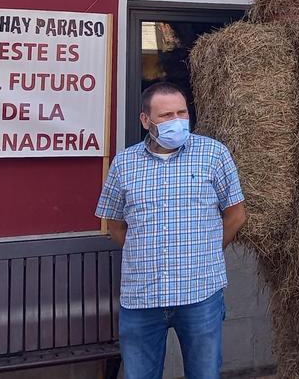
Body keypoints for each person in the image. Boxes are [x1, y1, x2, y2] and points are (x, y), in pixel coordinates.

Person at [95, 82, 248, 379]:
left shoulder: (213, 154)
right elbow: (114, 224)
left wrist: (207, 251)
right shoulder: (124, 164)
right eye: (166, 115)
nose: (176, 121)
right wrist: (144, 254)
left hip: (200, 294)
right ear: (145, 121)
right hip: (142, 298)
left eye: (181, 112)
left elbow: (236, 214)